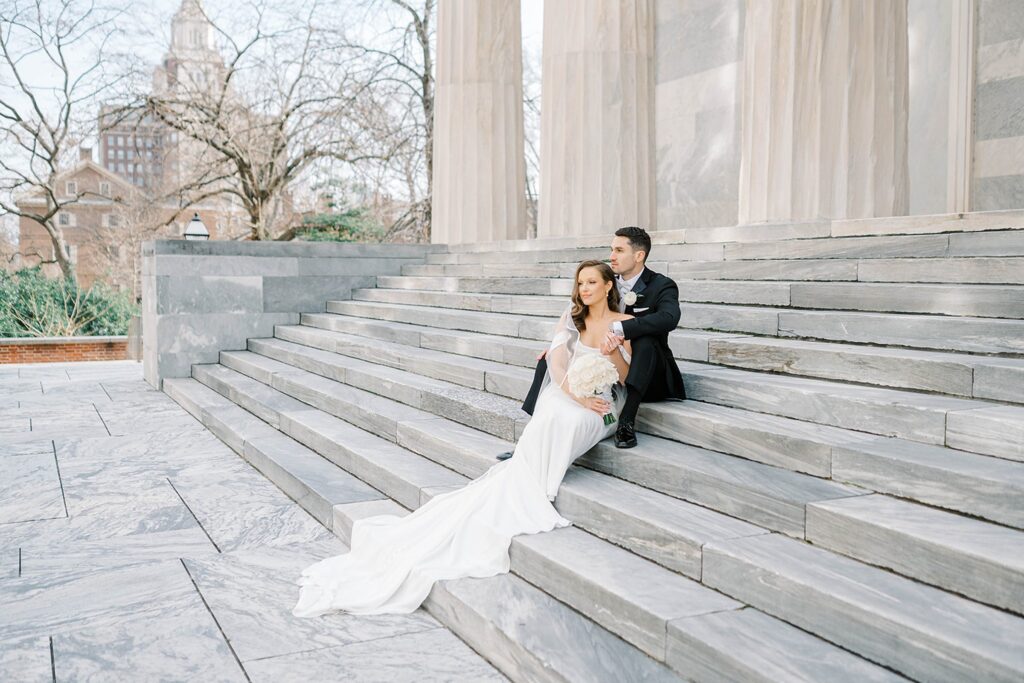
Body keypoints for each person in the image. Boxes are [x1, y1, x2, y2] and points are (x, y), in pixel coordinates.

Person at [293, 261, 633, 617]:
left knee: (571, 421)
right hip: (567, 392)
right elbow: (557, 366)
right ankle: (534, 482)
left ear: (608, 286)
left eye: (591, 282)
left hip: (603, 402)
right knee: (552, 413)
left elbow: (627, 376)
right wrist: (577, 396)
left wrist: (611, 354)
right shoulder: (572, 318)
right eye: (581, 283)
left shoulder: (624, 323)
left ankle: (539, 479)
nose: (584, 289)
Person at [506, 226, 684, 456]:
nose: (612, 256)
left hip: (647, 369)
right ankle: (532, 435)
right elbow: (585, 320)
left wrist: (621, 328)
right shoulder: (605, 281)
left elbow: (669, 318)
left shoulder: (661, 285)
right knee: (548, 360)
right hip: (606, 361)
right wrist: (559, 346)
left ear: (639, 255)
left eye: (619, 250)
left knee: (645, 340)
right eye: (611, 249)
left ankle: (626, 421)